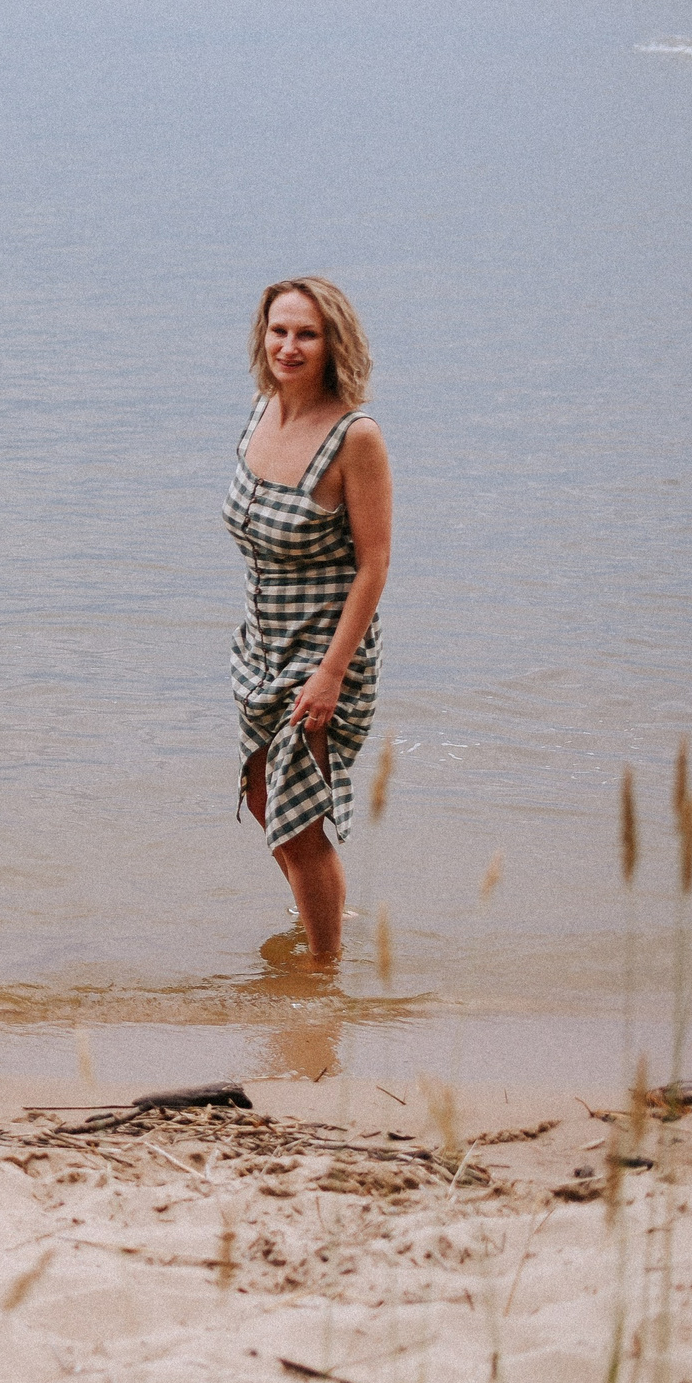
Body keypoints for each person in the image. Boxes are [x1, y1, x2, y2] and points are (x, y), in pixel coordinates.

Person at [224, 276, 391, 966]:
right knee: (267, 803)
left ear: (333, 344)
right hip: (261, 646)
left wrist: (329, 675)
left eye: (307, 334)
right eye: (279, 330)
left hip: (326, 652)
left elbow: (374, 564)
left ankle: (323, 978)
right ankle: (324, 913)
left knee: (298, 826)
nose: (289, 346)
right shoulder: (263, 411)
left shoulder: (356, 436)